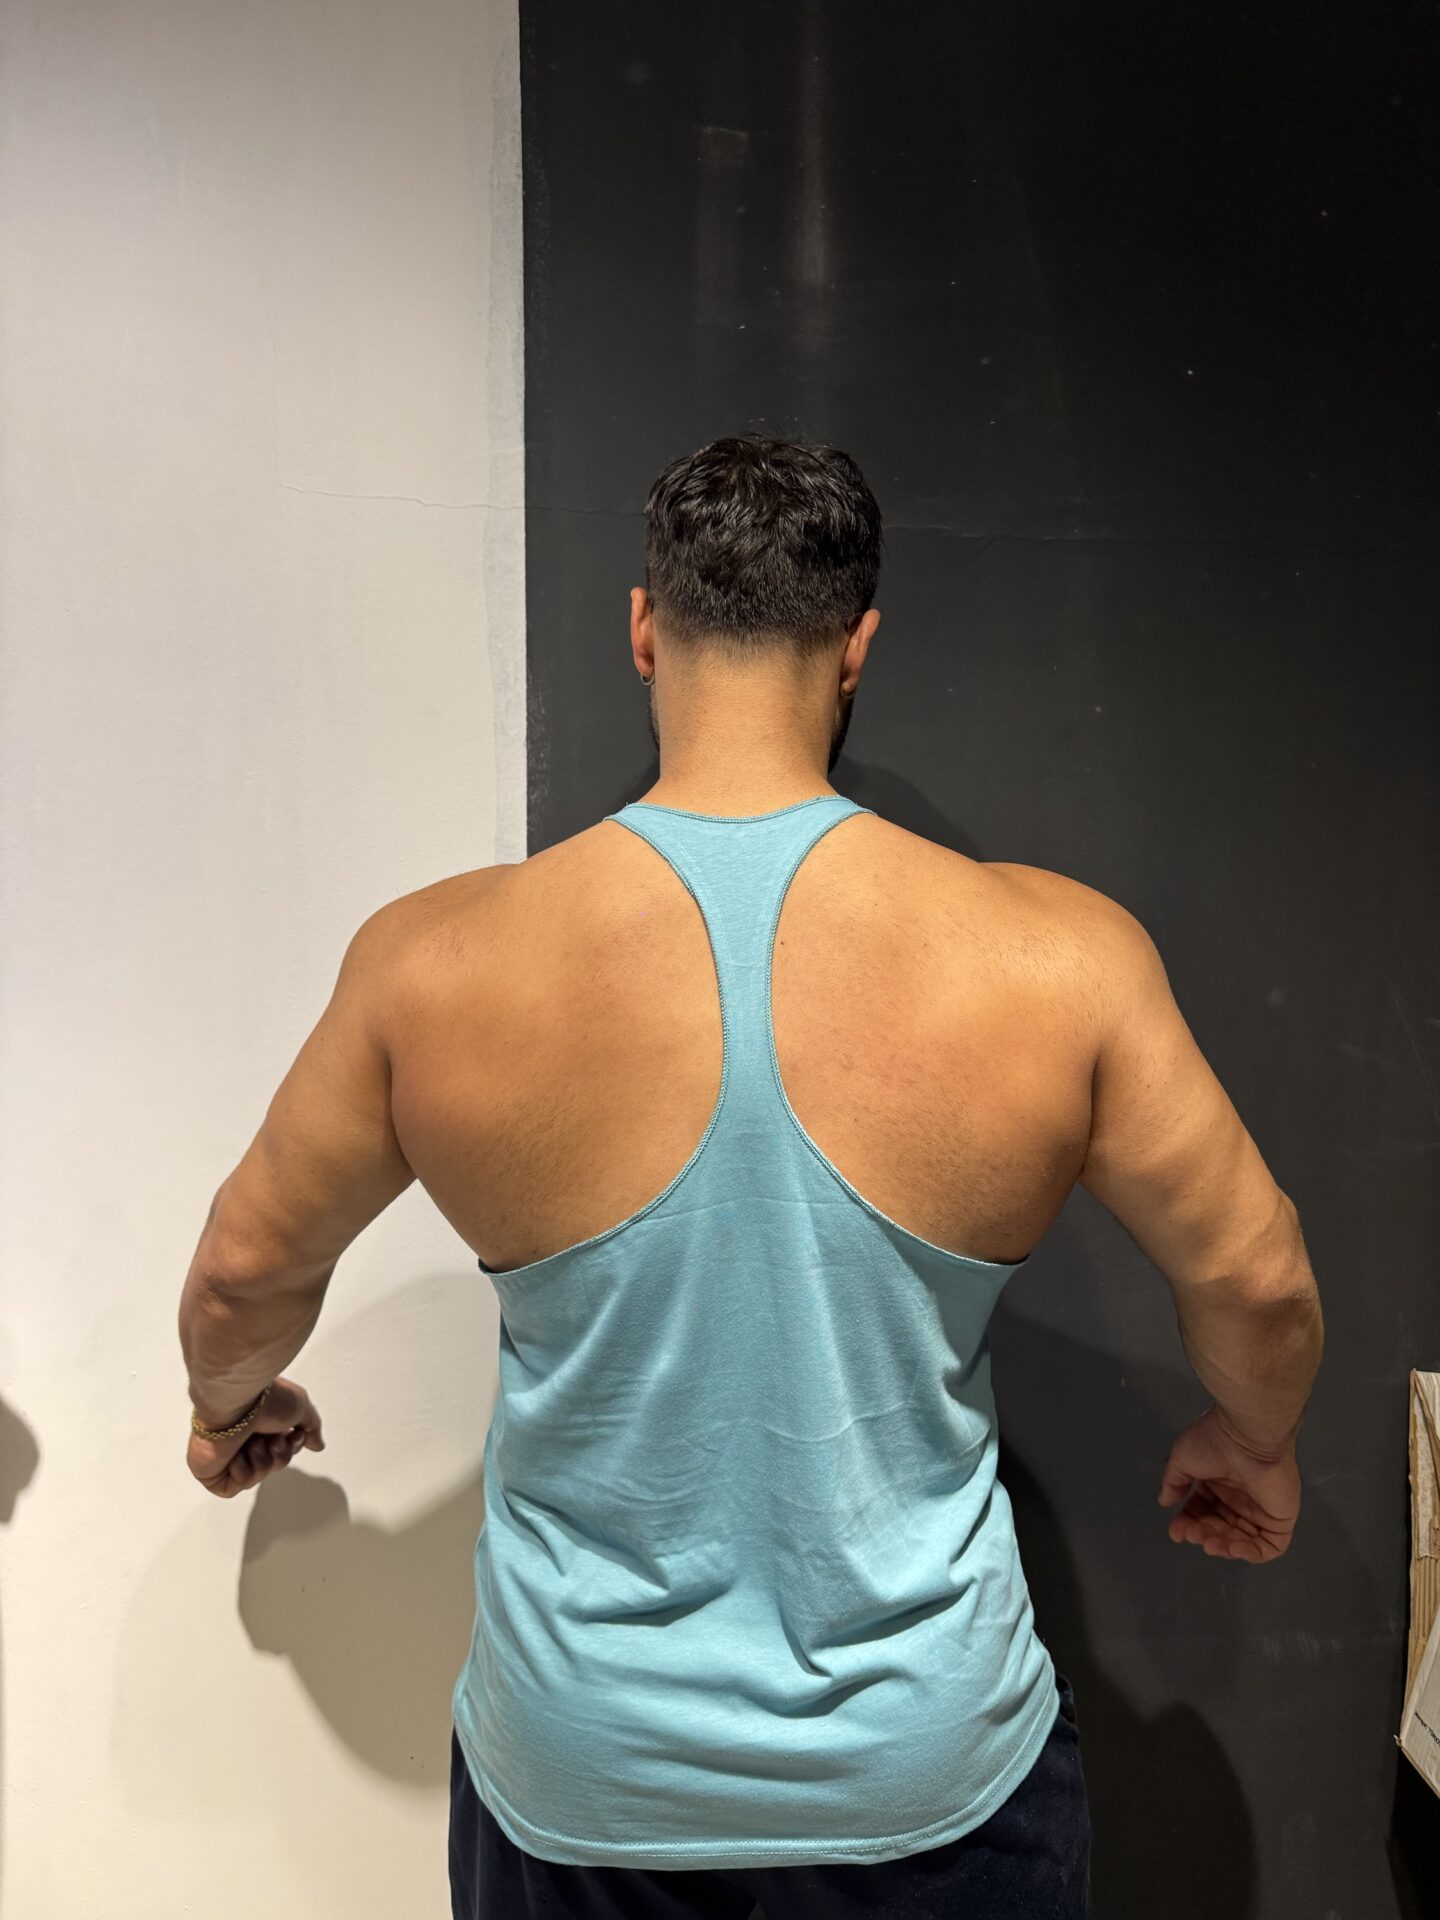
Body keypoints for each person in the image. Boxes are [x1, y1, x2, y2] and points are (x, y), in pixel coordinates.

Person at [177, 434, 1324, 1919]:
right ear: (855, 648)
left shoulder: (434, 964)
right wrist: (1252, 1438)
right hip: (928, 1781)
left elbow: (243, 1275)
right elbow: (1259, 1282)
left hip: (584, 1788)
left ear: (643, 629)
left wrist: (231, 1410)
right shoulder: (1060, 959)